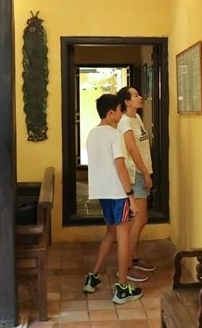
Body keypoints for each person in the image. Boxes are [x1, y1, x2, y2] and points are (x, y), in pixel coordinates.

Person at [82, 94, 143, 304]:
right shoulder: (114, 135)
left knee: (110, 233)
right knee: (123, 236)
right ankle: (123, 288)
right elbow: (120, 166)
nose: (121, 113)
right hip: (118, 193)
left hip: (102, 193)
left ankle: (93, 276)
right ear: (111, 113)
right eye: (119, 110)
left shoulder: (92, 134)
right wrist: (131, 196)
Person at [117, 86, 156, 281]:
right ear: (126, 102)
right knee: (140, 218)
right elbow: (132, 149)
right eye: (135, 95)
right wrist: (145, 174)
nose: (140, 97)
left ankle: (133, 257)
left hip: (143, 171)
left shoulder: (137, 118)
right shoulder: (124, 122)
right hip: (136, 174)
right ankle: (126, 266)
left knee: (138, 219)